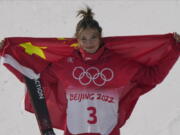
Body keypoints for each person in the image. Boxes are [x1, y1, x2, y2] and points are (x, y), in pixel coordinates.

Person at [0, 6, 180, 135]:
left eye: (93, 37)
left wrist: (175, 50)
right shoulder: (66, 64)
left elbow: (153, 76)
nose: (89, 42)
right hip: (74, 130)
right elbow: (34, 79)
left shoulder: (117, 63)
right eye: (84, 38)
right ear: (77, 40)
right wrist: (8, 57)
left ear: (100, 36)